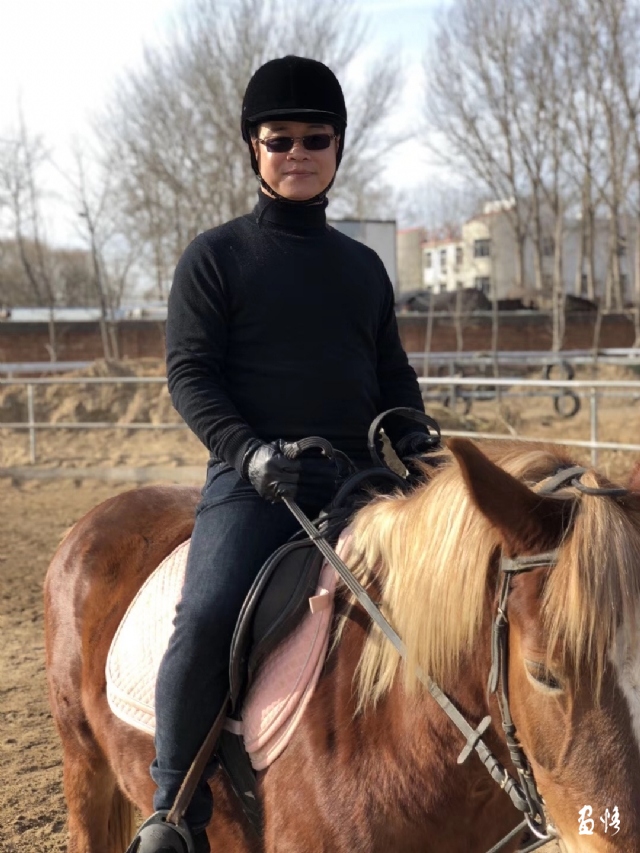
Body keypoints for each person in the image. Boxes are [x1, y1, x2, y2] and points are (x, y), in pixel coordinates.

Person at [132, 55, 436, 853]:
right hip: (256, 484)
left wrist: (418, 441)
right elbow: (190, 376)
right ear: (254, 148)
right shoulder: (215, 258)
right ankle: (174, 808)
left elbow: (390, 375)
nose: (298, 152)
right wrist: (251, 456)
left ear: (338, 147)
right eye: (280, 140)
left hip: (359, 482)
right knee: (206, 615)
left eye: (315, 138)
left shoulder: (363, 268)